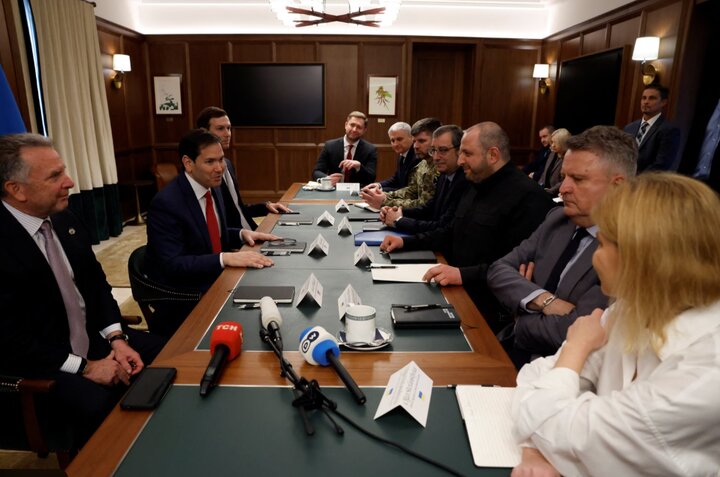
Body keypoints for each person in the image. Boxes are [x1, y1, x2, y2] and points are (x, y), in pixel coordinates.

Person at [511, 173, 720, 477]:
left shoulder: (706, 372)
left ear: (641, 257)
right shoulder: (631, 308)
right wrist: (537, 447)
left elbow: (573, 430)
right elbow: (534, 377)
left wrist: (575, 349)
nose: (595, 258)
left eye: (602, 244)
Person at [0, 133, 166, 446]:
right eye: (55, 176)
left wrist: (117, 339)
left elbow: (97, 286)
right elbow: (12, 342)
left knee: (168, 356)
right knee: (101, 409)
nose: (70, 182)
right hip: (38, 368)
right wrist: (87, 368)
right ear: (16, 189)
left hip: (92, 341)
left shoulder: (64, 219)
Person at [380, 122, 555, 332]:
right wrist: (405, 242)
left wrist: (462, 274)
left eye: (467, 153)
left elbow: (516, 267)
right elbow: (450, 231)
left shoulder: (529, 197)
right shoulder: (475, 183)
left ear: (493, 155)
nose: (461, 160)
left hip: (490, 306)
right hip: (455, 287)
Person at [488, 126, 637, 368]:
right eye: (564, 176)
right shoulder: (557, 219)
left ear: (617, 185)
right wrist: (544, 300)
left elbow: (576, 331)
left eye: (578, 179)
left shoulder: (628, 246)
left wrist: (521, 313)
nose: (562, 188)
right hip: (509, 349)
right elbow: (498, 270)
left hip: (567, 371)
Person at [144, 129, 277, 335]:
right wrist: (225, 258)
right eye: (210, 162)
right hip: (186, 296)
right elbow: (173, 264)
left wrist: (241, 234)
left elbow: (208, 234)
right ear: (188, 163)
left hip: (217, 279)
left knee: (272, 285)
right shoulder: (167, 203)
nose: (219, 168)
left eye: (221, 159)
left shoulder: (212, 187)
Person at [196, 106, 291, 231]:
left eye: (228, 128)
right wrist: (242, 235)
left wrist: (265, 207)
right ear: (204, 132)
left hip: (250, 230)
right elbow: (212, 224)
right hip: (236, 237)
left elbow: (236, 208)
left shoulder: (228, 164)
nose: (227, 134)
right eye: (220, 129)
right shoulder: (202, 173)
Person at [379, 124, 468, 233]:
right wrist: (398, 212)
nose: (436, 157)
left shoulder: (464, 181)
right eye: (433, 150)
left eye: (443, 150)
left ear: (459, 151)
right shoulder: (445, 174)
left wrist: (398, 220)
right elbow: (430, 207)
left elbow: (444, 228)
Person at [360, 117, 442, 210]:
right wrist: (386, 195)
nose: (415, 146)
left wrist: (385, 201)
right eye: (414, 141)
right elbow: (412, 190)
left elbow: (424, 205)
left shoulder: (439, 166)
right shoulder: (422, 163)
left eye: (421, 141)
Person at [623, 84, 680, 172]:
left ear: (663, 102)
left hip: (647, 179)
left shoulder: (669, 130)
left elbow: (661, 165)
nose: (646, 102)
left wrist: (636, 178)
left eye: (652, 98)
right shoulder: (629, 128)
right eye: (644, 98)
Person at [312, 111, 377, 187]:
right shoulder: (330, 146)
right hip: (333, 189)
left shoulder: (370, 150)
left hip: (357, 191)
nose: (354, 129)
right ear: (346, 125)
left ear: (364, 130)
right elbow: (316, 172)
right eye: (352, 125)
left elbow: (371, 178)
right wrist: (327, 179)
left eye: (359, 127)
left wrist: (359, 167)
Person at [361, 121, 418, 193]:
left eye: (399, 139)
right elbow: (397, 179)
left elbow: (409, 189)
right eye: (392, 140)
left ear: (411, 137)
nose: (395, 144)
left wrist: (380, 190)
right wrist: (378, 185)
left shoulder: (417, 156)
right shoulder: (403, 155)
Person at [538, 128, 570, 197]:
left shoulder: (569, 157)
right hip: (545, 191)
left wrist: (550, 191)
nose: (552, 145)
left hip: (556, 194)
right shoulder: (552, 153)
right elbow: (544, 173)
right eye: (552, 142)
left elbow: (565, 180)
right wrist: (538, 187)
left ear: (562, 143)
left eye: (555, 142)